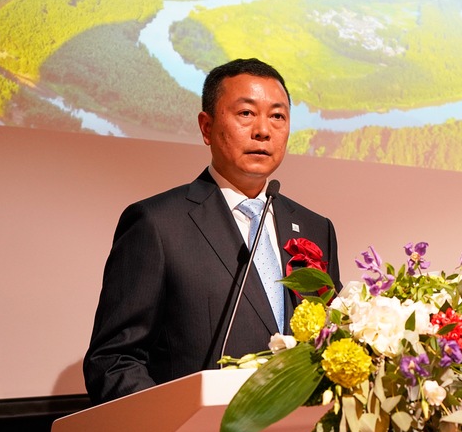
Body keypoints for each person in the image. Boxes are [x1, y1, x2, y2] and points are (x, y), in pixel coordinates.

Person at [83, 58, 340, 404]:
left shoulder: (314, 227)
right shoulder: (157, 224)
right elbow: (113, 361)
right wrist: (172, 429)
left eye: (277, 116)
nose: (263, 130)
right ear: (206, 127)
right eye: (246, 114)